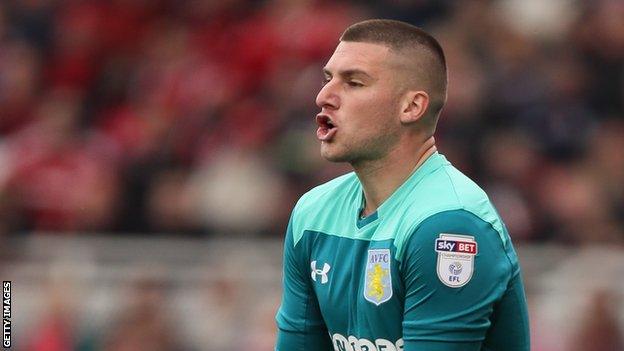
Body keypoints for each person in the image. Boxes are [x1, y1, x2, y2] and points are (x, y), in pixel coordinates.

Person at [275, 19, 530, 351]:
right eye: (328, 79)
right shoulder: (313, 213)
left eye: (353, 82)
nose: (324, 96)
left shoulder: (449, 223)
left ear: (411, 107)